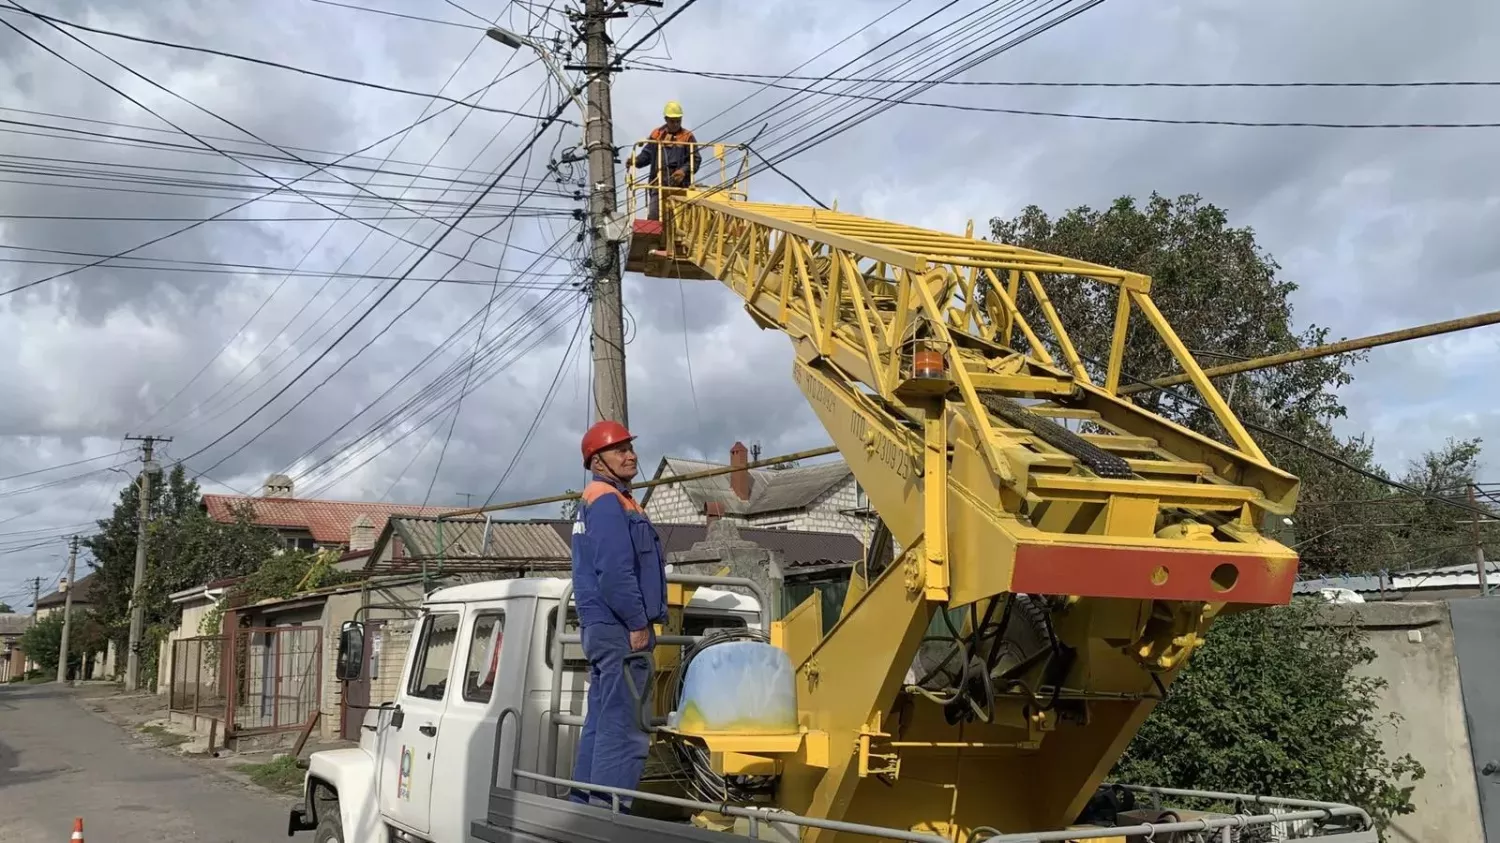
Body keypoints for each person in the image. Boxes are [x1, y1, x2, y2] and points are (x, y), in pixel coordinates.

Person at [567, 419, 668, 809]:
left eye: (631, 448)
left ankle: (584, 808)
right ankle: (609, 816)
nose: (631, 456)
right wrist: (638, 623)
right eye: (620, 450)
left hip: (603, 628)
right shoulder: (608, 501)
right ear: (598, 461)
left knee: (601, 722)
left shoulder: (601, 500)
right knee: (625, 727)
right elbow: (614, 571)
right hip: (620, 628)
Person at [634, 100, 702, 222]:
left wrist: (683, 171)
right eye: (672, 121)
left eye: (678, 121)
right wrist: (635, 160)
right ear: (666, 119)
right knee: (654, 216)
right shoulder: (657, 134)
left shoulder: (687, 136)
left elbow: (695, 159)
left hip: (681, 187)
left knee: (683, 221)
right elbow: (647, 153)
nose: (676, 124)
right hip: (658, 184)